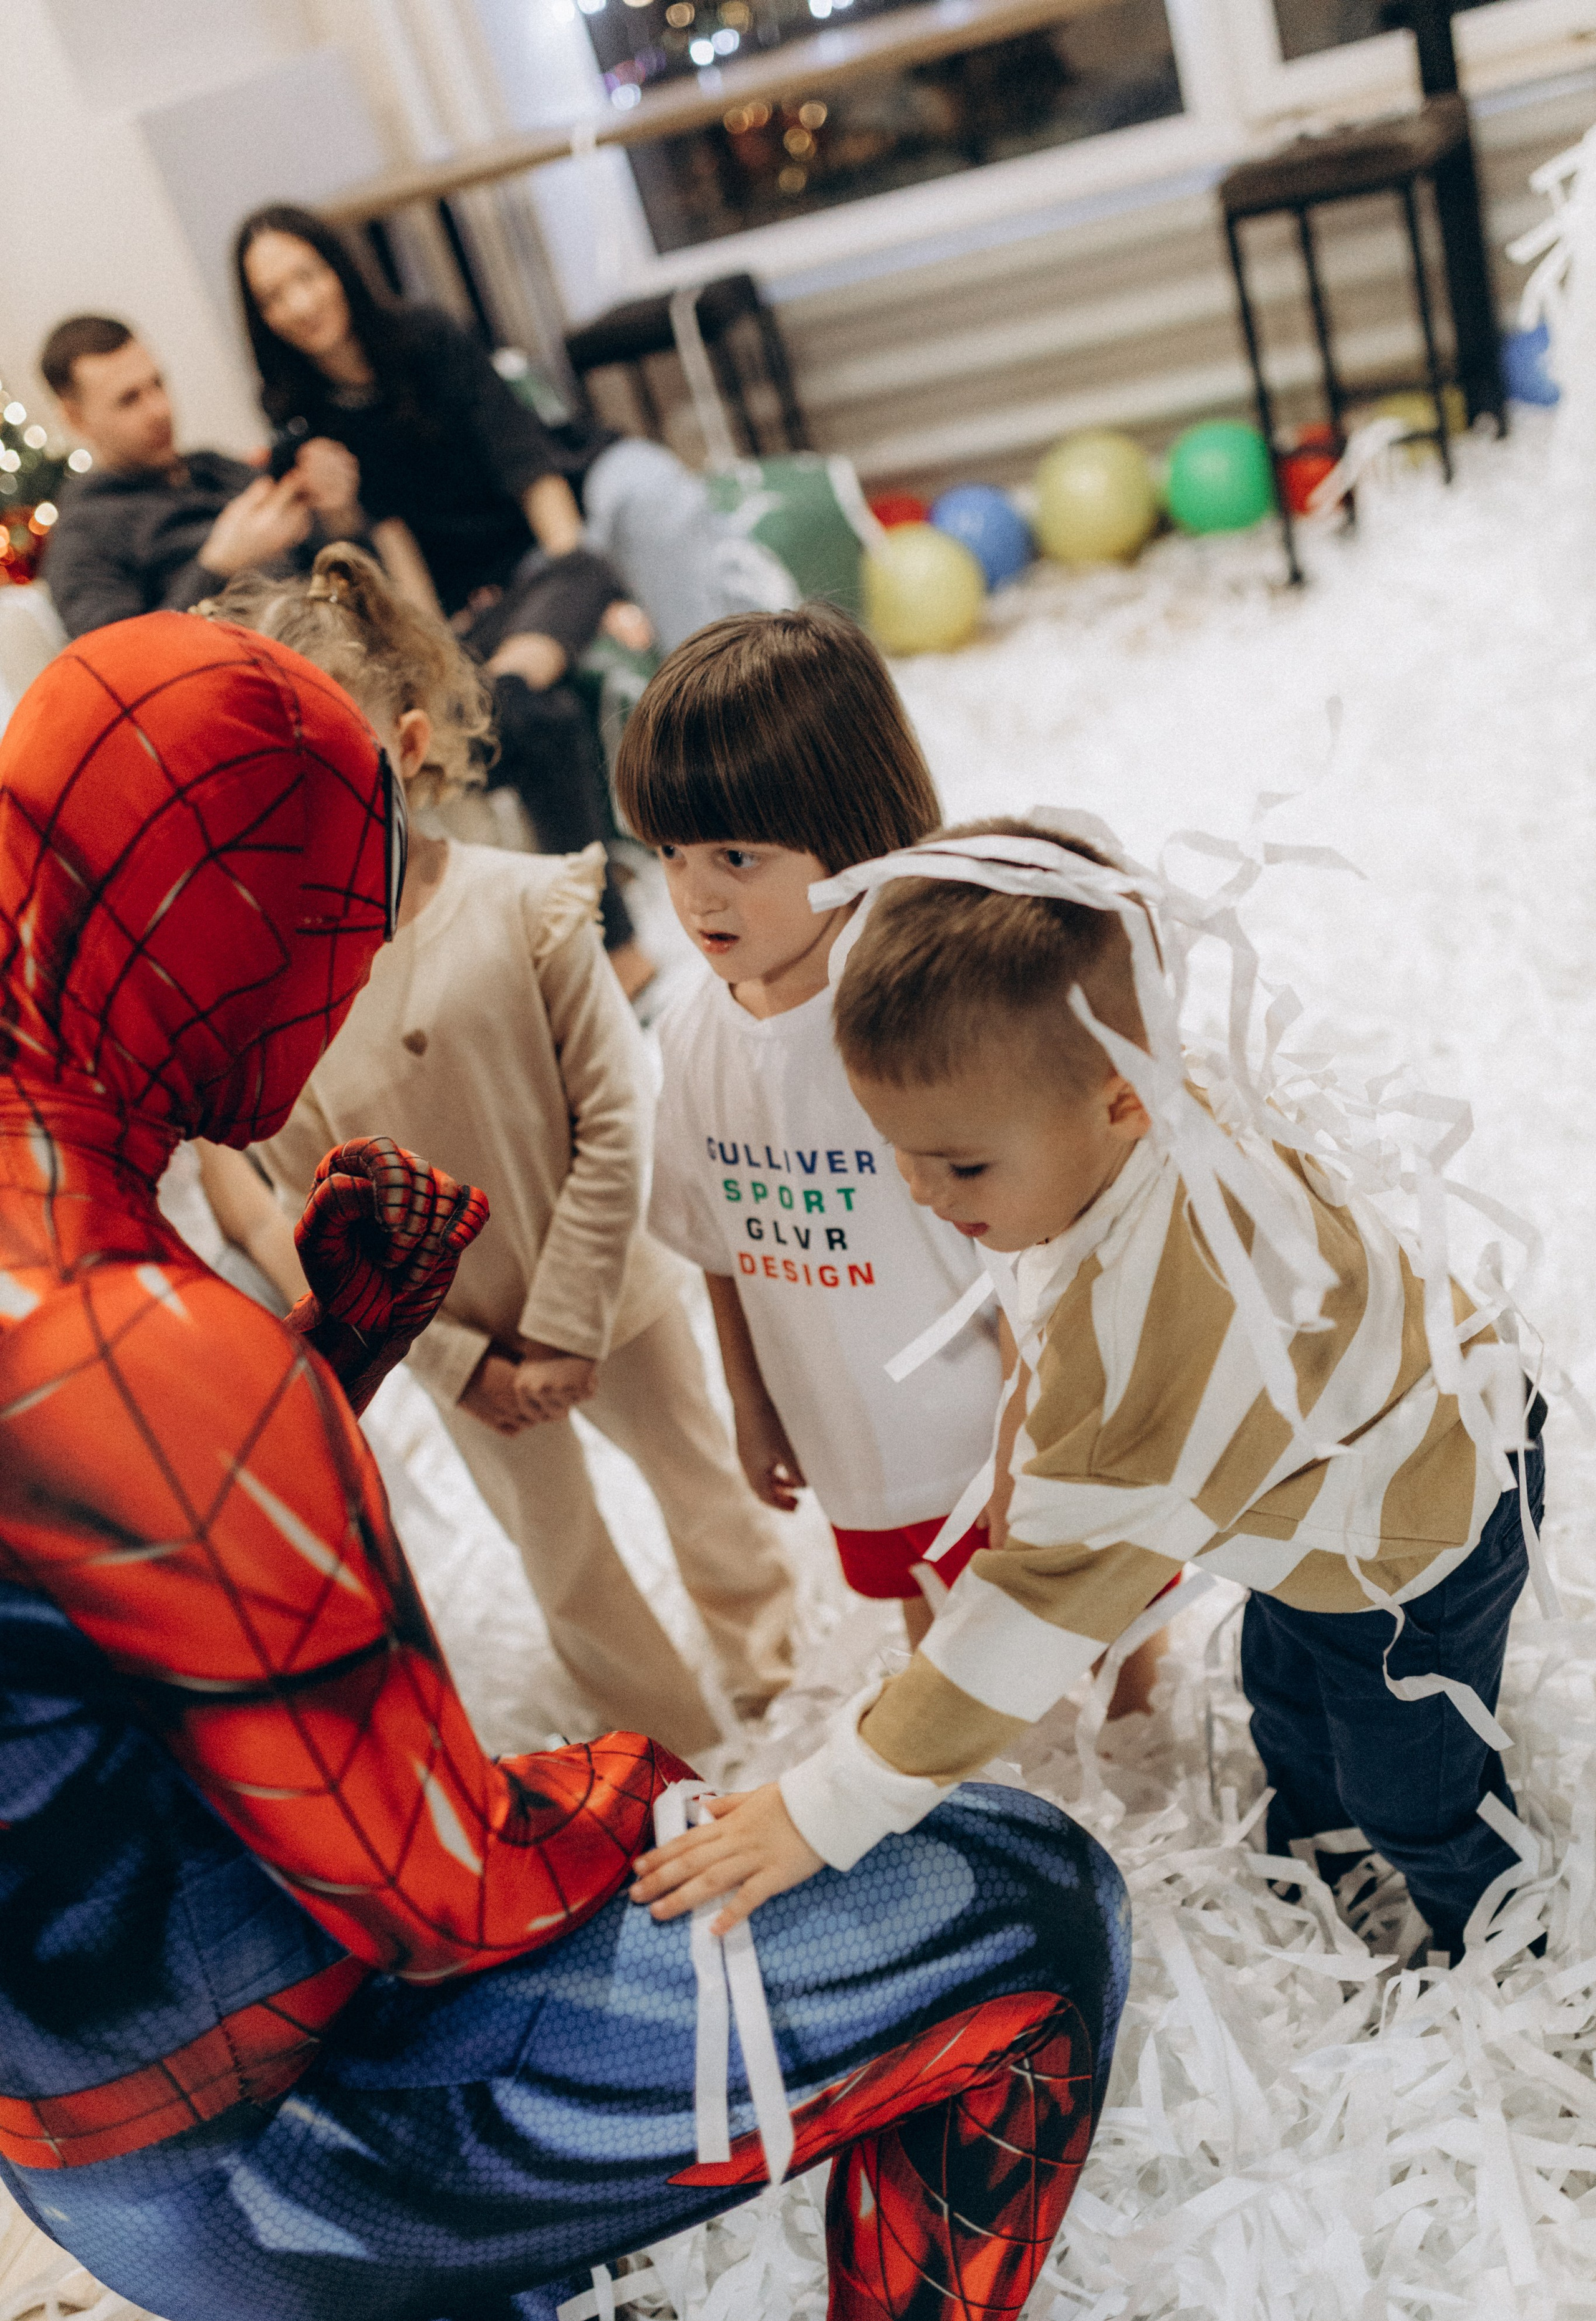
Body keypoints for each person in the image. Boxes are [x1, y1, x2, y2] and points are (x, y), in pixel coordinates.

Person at [0, 609, 1130, 2321]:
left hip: (86, 2090)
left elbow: (100, 1603)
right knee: (1036, 1906)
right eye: (326, 936)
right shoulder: (145, 1349)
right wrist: (633, 1783)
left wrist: (328, 1352)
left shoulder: (52, 1207)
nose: (338, 996)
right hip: (286, 2127)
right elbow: (439, 1891)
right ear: (215, 927)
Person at [633, 812, 1544, 1973]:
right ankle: (1323, 1857)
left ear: (1122, 1097)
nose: (920, 1191)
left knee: (1411, 1775)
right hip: (1330, 1485)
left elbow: (1033, 1611)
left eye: (960, 1165)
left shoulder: (1157, 1327)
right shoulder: (1140, 1103)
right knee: (1285, 1693)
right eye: (899, 1149)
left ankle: (1503, 1933)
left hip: (1426, 1523)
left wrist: (824, 1804)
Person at [221, 544, 796, 1751]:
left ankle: (773, 1686)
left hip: (612, 1297)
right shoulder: (279, 1000)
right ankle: (663, 1745)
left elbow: (613, 1116)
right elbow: (312, 1217)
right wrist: (463, 1362)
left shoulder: (528, 904)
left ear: (410, 745)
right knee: (560, 1552)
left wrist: (568, 1322)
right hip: (458, 1348)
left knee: (703, 1498)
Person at [231, 204, 773, 994]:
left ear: (339, 268)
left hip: (542, 553)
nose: (301, 305)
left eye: (307, 276)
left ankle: (526, 681)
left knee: (585, 567)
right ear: (262, 318)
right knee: (539, 706)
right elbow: (382, 560)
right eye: (275, 296)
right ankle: (615, 947)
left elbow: (525, 458)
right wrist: (362, 542)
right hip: (468, 608)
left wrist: (575, 582)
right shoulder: (300, 424)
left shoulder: (425, 339)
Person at [617, 606, 1004, 1655]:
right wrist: (752, 1402)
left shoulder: (924, 1014)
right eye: (669, 851)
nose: (694, 896)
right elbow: (718, 1250)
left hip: (995, 1428)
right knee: (931, 1626)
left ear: (853, 832)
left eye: (736, 855)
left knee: (1094, 1630)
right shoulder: (695, 1034)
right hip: (851, 1430)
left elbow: (1027, 1248)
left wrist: (1045, 1432)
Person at [37, 313, 357, 637]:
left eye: (157, 384)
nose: (160, 410)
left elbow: (333, 563)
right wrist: (219, 567)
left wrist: (335, 512)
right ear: (75, 419)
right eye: (129, 400)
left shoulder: (213, 468)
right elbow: (123, 669)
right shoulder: (83, 538)